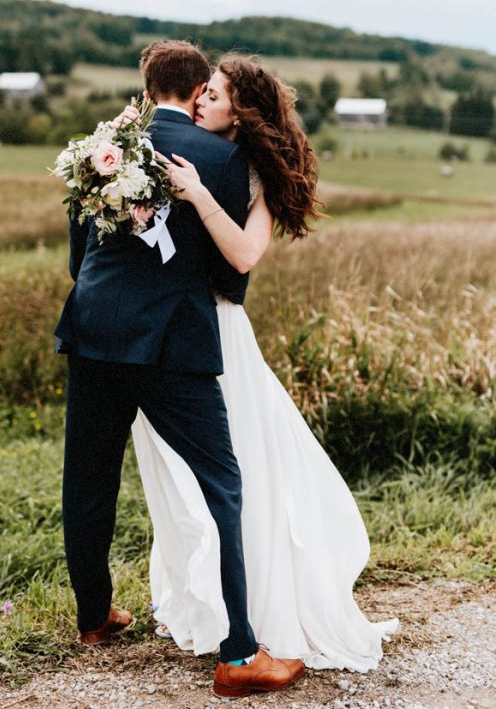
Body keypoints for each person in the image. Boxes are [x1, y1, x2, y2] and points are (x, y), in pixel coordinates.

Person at [53, 41, 305, 699]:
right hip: (173, 342)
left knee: (88, 476)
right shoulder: (222, 157)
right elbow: (228, 274)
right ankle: (240, 654)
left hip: (94, 329)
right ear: (198, 92)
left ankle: (93, 619)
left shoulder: (101, 148)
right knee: (222, 484)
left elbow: (79, 257)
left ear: (145, 82)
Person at [131, 54, 399, 670]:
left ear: (241, 111)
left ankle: (258, 612)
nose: (201, 102)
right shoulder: (187, 148)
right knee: (182, 476)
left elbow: (246, 254)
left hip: (221, 333)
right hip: (171, 332)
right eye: (203, 93)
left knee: (240, 468)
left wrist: (197, 196)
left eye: (216, 96)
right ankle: (208, 604)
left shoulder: (249, 172)